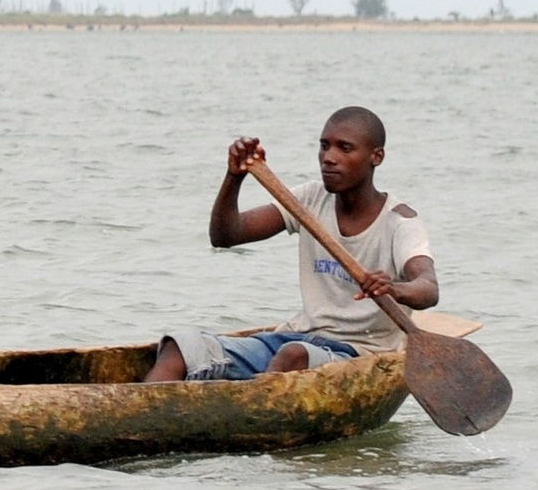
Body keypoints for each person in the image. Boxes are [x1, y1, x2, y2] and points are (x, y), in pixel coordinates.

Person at [143, 106, 438, 382]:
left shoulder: (400, 222)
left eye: (344, 148)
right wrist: (234, 178)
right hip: (295, 336)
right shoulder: (309, 200)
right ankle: (142, 425)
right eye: (324, 146)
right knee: (179, 347)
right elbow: (225, 236)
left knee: (292, 356)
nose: (329, 158)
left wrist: (395, 288)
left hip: (356, 352)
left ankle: (252, 426)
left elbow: (428, 287)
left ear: (376, 157)